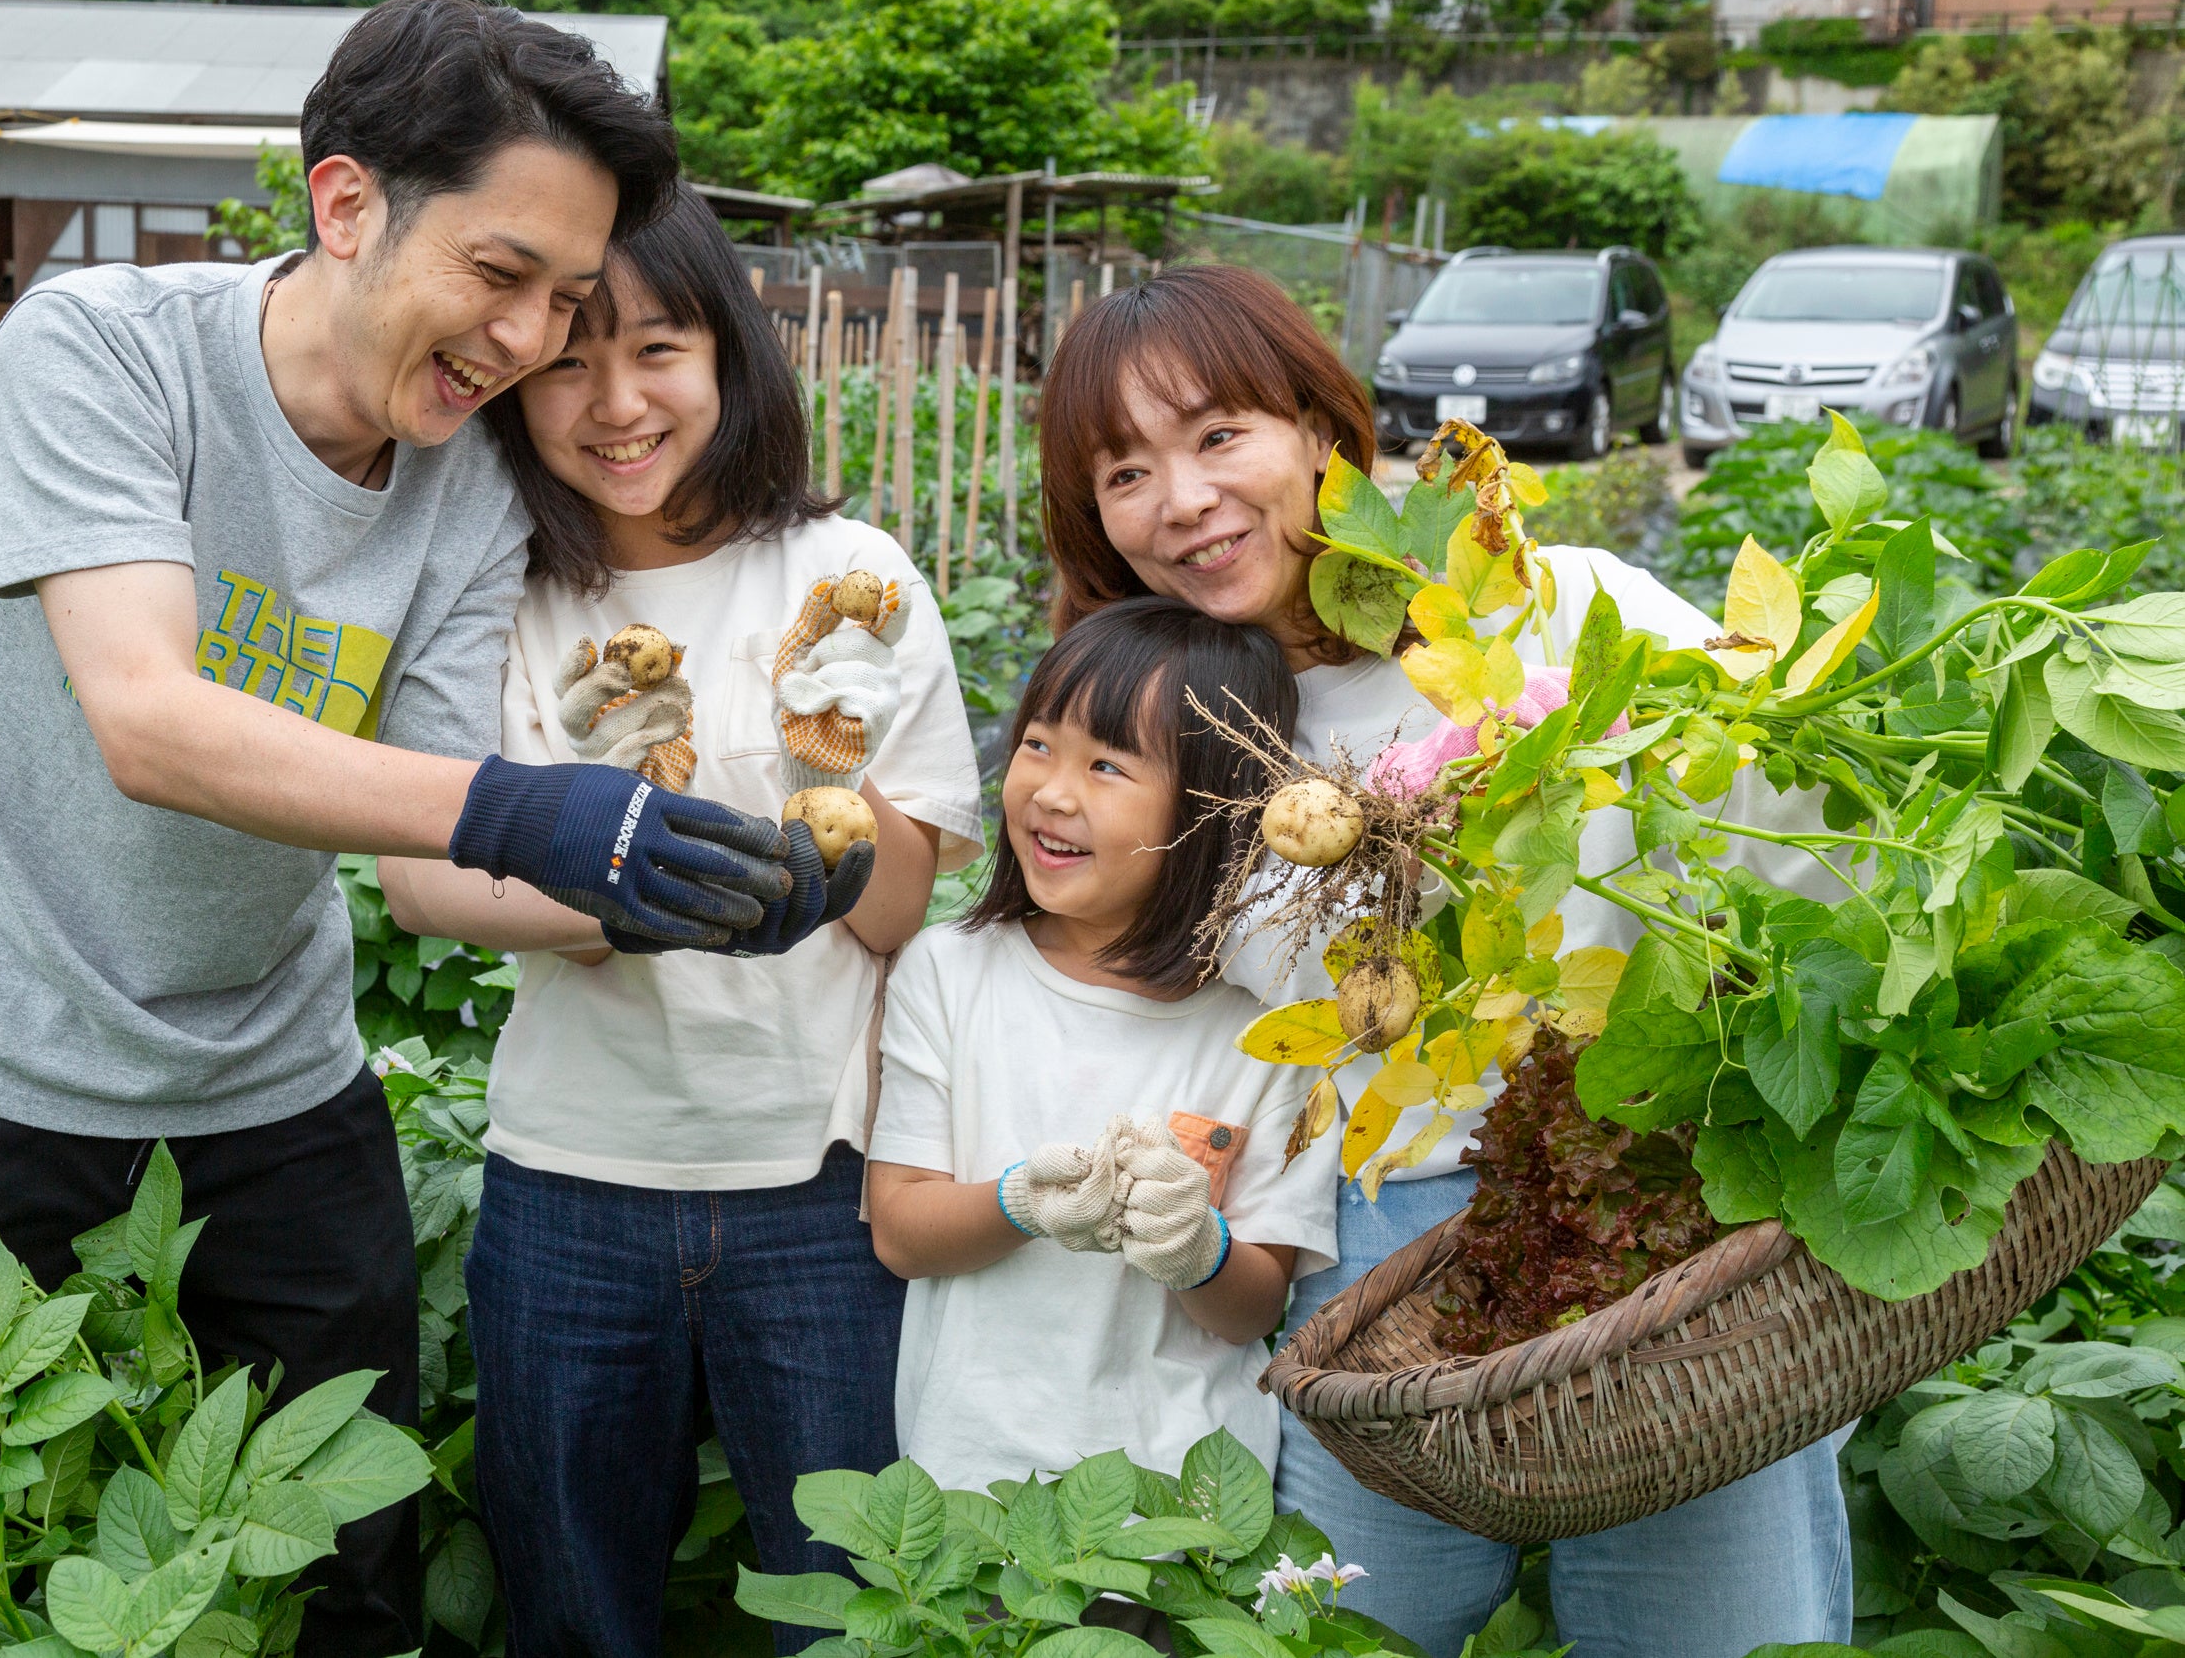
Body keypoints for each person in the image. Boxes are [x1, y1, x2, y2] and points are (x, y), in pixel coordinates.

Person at [0, 0, 862, 1658]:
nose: (527, 340)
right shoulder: (102, 350)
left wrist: (676, 891)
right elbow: (149, 717)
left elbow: (436, 863)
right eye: (501, 275)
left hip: (271, 1082)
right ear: (348, 202)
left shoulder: (465, 481)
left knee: (345, 1573)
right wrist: (535, 807)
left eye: (571, 303)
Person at [1034, 264, 1852, 1658]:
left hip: (1665, 1222)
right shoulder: (1168, 740)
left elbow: (1800, 839)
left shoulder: (1553, 607)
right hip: (1383, 1257)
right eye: (1124, 471)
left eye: (1218, 434)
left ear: (1320, 431)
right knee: (1343, 1634)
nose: (1180, 500)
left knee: (1715, 1631)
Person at [379, 191, 985, 1658]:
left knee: (852, 1610)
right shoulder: (497, 591)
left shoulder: (851, 576)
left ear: (730, 359)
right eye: (571, 363)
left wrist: (829, 778)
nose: (618, 401)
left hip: (822, 1191)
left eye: (661, 349)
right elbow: (424, 880)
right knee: (575, 1608)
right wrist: (625, 883)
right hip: (569, 1186)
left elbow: (904, 905)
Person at [864, 597, 1336, 1497]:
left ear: (1215, 811)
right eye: (1039, 742)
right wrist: (1022, 1202)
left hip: (1180, 1502)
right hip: (973, 1475)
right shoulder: (951, 973)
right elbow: (901, 1232)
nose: (1052, 788)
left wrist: (1194, 1245)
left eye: (1108, 764)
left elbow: (1253, 1308)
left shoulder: (1269, 1031)